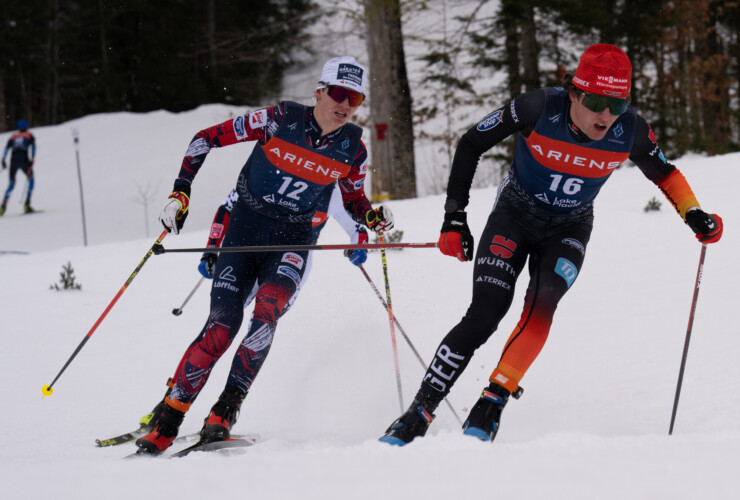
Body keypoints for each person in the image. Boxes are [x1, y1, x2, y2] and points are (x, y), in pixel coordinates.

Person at [380, 44, 723, 446]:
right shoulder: (537, 107)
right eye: (595, 101)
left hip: (570, 226)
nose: (606, 115)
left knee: (543, 302)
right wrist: (455, 216)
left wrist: (693, 212)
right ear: (575, 92)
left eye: (617, 103)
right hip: (516, 214)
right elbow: (471, 143)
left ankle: (492, 402)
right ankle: (419, 410)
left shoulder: (630, 128)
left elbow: (665, 172)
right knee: (486, 312)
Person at [135, 56, 393, 455]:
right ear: (319, 92)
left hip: (294, 238)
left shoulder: (353, 149)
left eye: (354, 98)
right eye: (338, 93)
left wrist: (372, 217)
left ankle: (224, 413)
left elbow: (355, 199)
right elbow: (205, 137)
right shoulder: (277, 119)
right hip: (246, 228)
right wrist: (181, 192)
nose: (345, 104)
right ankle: (168, 419)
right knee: (222, 326)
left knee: (266, 314)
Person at [1, 119, 36, 215]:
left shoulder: (13, 136)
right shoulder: (29, 135)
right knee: (31, 180)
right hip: (24, 160)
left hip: (13, 161)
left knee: (11, 184)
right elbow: (33, 148)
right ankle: (27, 204)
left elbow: (6, 148)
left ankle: (3, 206)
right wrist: (32, 159)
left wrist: (3, 160)